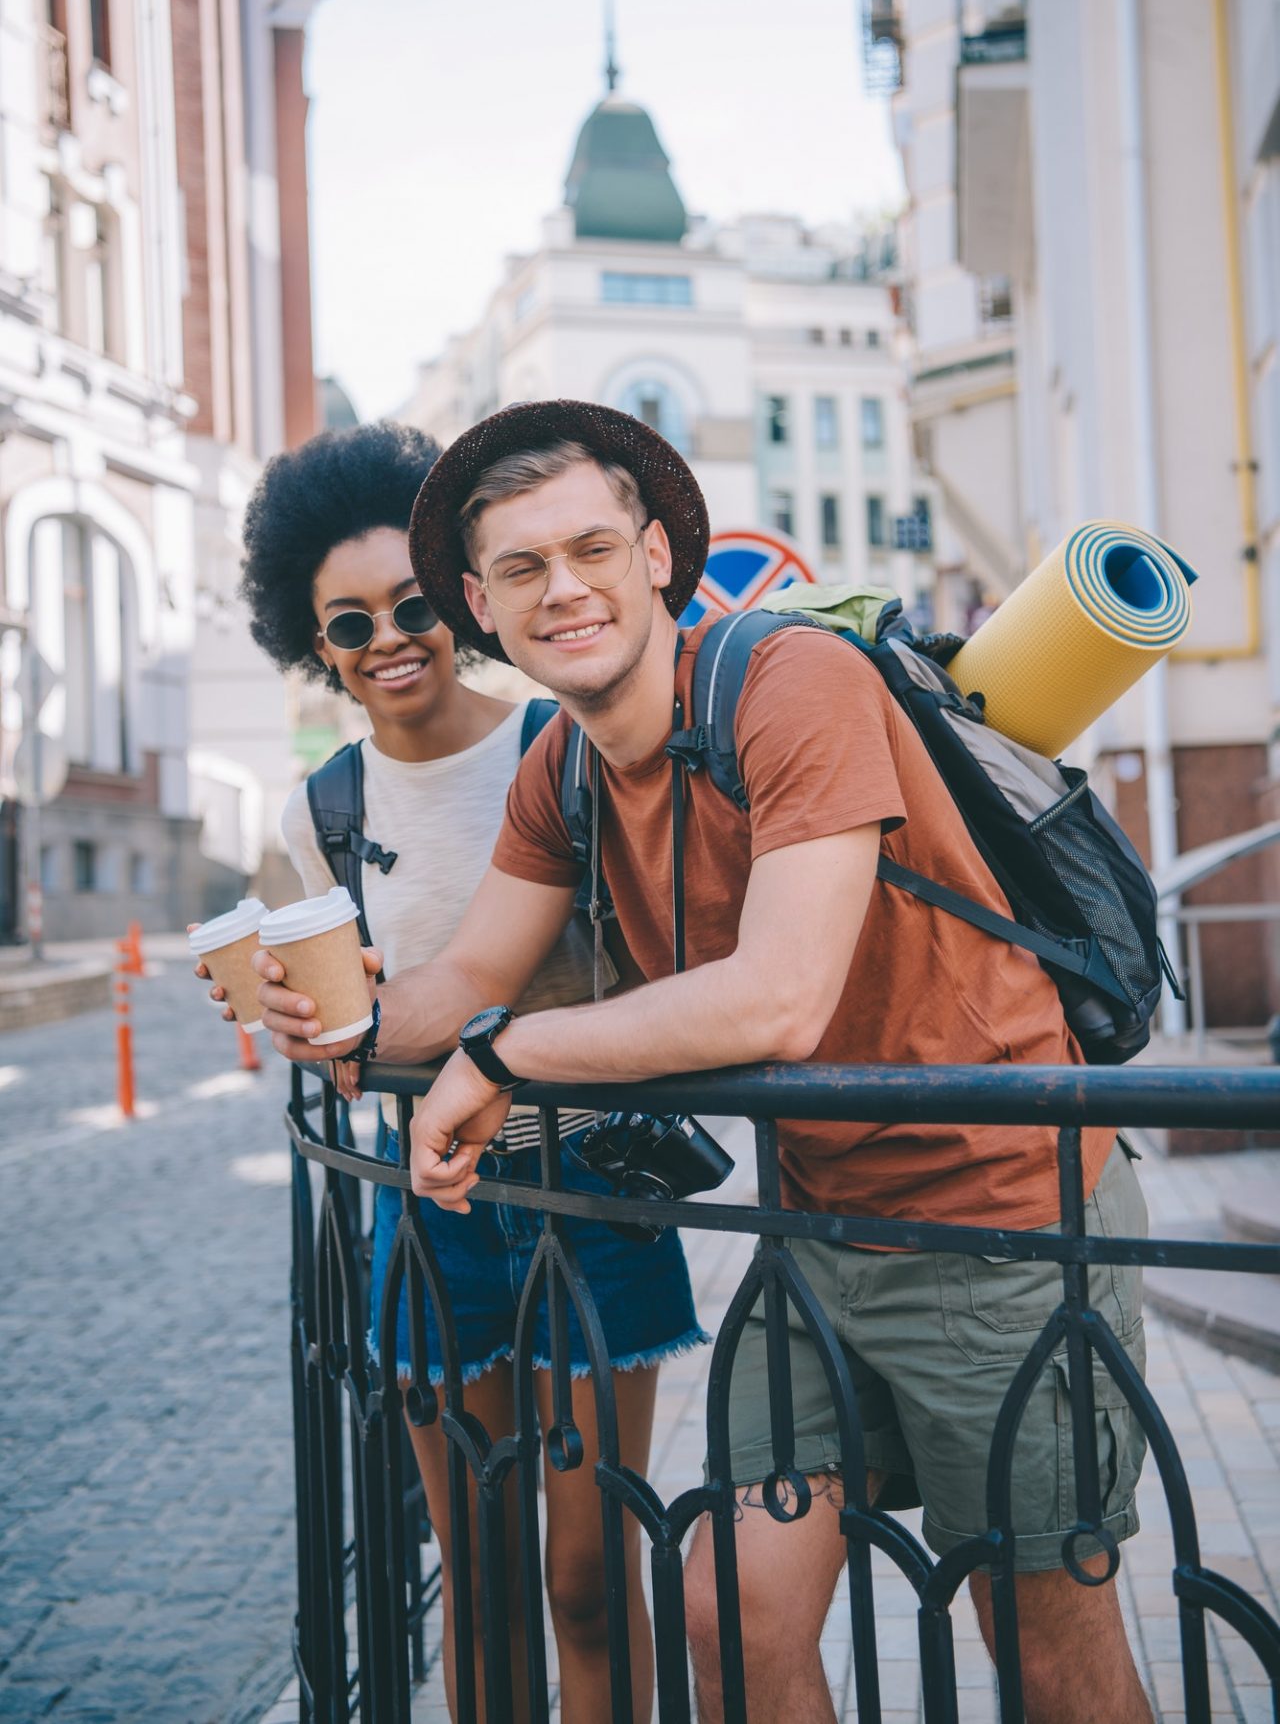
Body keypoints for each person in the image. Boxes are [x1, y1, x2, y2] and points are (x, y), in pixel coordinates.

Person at [254, 401, 1153, 1724]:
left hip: (1000, 1221)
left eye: (592, 548)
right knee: (724, 1614)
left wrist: (510, 1053)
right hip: (820, 1237)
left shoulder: (791, 679)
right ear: (481, 608)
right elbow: (461, 982)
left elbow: (778, 998)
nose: (563, 589)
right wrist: (329, 1023)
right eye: (519, 569)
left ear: (660, 554)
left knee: (1047, 1663)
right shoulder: (558, 764)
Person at [208, 421, 706, 1724]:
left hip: (591, 1190)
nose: (388, 640)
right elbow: (357, 1024)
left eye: (412, 604)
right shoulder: (319, 811)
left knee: (588, 1576)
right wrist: (299, 1017)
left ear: (465, 601)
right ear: (314, 642)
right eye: (348, 621)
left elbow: (650, 963)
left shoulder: (562, 742)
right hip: (429, 1210)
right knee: (475, 1570)